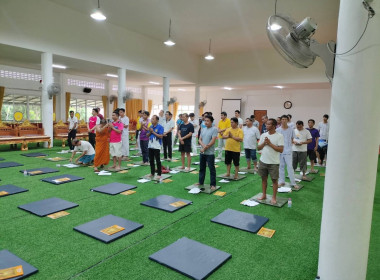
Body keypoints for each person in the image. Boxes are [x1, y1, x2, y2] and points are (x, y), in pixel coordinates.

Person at [257, 118, 284, 204]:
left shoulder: (279, 136)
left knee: (274, 180)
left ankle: (274, 197)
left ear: (274, 126)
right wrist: (264, 143)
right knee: (263, 179)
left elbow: (280, 150)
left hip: (274, 163)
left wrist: (270, 144)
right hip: (263, 161)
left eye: (269, 124)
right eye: (266, 124)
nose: (266, 125)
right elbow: (258, 148)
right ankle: (264, 195)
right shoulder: (263, 135)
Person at [276, 115, 300, 189]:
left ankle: (293, 183)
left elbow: (295, 138)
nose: (283, 120)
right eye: (282, 119)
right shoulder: (278, 130)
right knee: (281, 167)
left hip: (288, 150)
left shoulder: (291, 129)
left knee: (290, 167)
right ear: (280, 120)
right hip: (280, 150)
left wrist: (295, 142)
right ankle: (281, 181)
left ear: (287, 120)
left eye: (285, 119)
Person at [197, 115, 218, 190]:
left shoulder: (214, 129)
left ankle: (213, 184)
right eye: (205, 121)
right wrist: (203, 146)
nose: (206, 122)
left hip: (210, 154)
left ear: (211, 122)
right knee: (202, 168)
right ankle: (201, 182)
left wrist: (205, 148)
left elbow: (213, 141)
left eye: (207, 121)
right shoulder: (203, 129)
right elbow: (199, 139)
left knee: (211, 169)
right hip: (202, 153)